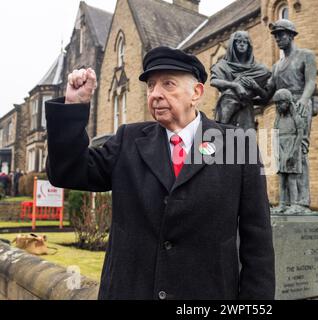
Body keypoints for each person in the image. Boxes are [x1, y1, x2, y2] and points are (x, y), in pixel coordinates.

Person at [45, 46, 275, 300]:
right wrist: (73, 109)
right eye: (151, 85)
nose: (156, 94)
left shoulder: (237, 144)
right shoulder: (127, 140)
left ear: (196, 93)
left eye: (168, 84)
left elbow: (258, 243)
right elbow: (67, 172)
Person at [265, 19, 318, 212]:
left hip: (299, 105)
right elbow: (268, 90)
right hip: (282, 111)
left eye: (281, 35)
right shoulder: (277, 66)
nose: (278, 39)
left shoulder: (306, 56)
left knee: (299, 153)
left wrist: (304, 101)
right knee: (282, 155)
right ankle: (285, 202)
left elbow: (311, 81)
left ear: (291, 35)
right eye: (276, 36)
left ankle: (301, 202)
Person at [211, 31, 271, 130]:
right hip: (227, 106)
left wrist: (255, 87)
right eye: (238, 41)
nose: (242, 44)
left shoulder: (259, 69)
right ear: (233, 44)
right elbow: (214, 81)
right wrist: (236, 86)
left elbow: (265, 98)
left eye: (245, 42)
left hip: (246, 110)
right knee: (225, 139)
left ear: (249, 45)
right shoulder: (223, 65)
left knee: (245, 142)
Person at [272, 89, 310, 214]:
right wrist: (278, 153)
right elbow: (275, 136)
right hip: (281, 152)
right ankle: (282, 204)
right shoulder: (278, 120)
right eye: (276, 104)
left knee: (292, 179)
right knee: (282, 180)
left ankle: (294, 204)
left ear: (288, 103)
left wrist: (293, 153)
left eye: (280, 103)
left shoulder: (296, 118)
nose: (278, 106)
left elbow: (300, 135)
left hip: (292, 151)